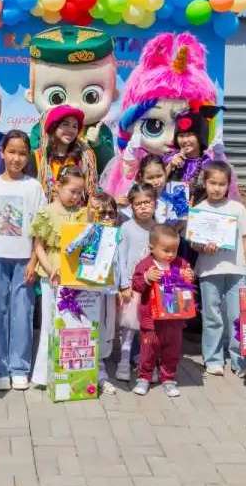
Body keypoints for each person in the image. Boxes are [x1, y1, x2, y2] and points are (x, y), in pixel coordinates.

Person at [0, 131, 44, 391]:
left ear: (28, 156)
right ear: (2, 153)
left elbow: (40, 228)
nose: (16, 158)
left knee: (22, 313)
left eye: (21, 153)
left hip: (24, 260)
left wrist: (33, 261)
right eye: (12, 152)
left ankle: (19, 367)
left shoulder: (33, 186)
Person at [190, 162, 246, 379]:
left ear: (228, 185)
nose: (217, 188)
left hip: (237, 270)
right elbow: (193, 244)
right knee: (212, 316)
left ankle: (240, 360)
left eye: (222, 184)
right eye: (212, 183)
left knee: (238, 317)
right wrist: (202, 247)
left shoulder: (237, 208)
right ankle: (213, 359)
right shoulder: (199, 210)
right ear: (205, 183)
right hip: (209, 270)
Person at [25, 25, 119, 171]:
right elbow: (33, 162)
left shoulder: (99, 130)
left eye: (91, 96)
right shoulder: (41, 129)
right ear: (31, 94)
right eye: (56, 98)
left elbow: (109, 168)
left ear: (114, 94)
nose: (73, 105)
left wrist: (98, 145)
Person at [29, 167, 91, 387]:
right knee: (49, 323)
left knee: (72, 323)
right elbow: (39, 245)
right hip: (52, 274)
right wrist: (48, 268)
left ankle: (71, 373)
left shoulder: (82, 213)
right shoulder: (47, 212)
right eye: (72, 191)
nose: (76, 197)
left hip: (75, 275)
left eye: (80, 192)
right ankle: (43, 375)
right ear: (57, 187)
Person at [130, 225, 195, 397]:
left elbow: (189, 286)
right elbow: (136, 285)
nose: (171, 255)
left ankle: (168, 379)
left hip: (174, 320)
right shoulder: (146, 265)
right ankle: (144, 377)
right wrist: (146, 278)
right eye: (166, 250)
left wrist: (189, 277)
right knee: (148, 350)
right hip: (151, 319)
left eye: (174, 250)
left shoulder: (181, 263)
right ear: (152, 247)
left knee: (172, 350)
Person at [114, 183, 158, 382]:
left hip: (153, 288)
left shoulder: (158, 228)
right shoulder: (126, 228)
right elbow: (121, 258)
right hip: (132, 287)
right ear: (131, 206)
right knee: (129, 327)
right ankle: (124, 361)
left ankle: (146, 363)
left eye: (147, 202)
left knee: (150, 328)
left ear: (155, 203)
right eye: (138, 203)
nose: (143, 207)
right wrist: (124, 284)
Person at [88, 192, 121, 395]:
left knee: (107, 330)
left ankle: (100, 371)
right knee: (92, 328)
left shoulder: (119, 234)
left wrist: (124, 286)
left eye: (111, 213)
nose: (107, 218)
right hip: (91, 292)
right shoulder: (88, 233)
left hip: (111, 291)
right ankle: (92, 371)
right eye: (102, 214)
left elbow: (123, 263)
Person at [35, 105, 99, 200]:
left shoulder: (84, 158)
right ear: (54, 127)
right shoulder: (39, 157)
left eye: (75, 126)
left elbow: (91, 192)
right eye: (65, 124)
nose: (70, 130)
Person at [118, 154, 170, 222]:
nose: (156, 182)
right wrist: (120, 205)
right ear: (141, 178)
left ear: (165, 173)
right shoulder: (135, 194)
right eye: (150, 178)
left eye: (159, 176)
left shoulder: (174, 192)